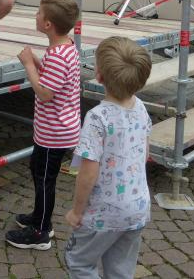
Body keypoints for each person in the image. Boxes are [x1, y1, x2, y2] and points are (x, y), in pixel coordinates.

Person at [64, 37, 152, 279]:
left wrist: (77, 211)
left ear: (99, 76)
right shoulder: (141, 107)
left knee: (80, 263)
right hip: (137, 208)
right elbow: (144, 154)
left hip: (104, 214)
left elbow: (88, 173)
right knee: (121, 269)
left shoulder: (97, 118)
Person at [5, 0, 81, 250]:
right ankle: (39, 216)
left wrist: (29, 65)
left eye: (38, 13)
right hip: (52, 130)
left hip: (55, 133)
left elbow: (45, 93)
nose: (35, 16)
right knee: (38, 171)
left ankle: (41, 231)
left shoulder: (58, 56)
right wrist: (38, 62)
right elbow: (53, 79)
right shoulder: (64, 48)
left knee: (45, 180)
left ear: (48, 24)